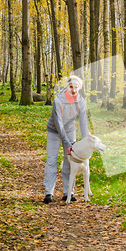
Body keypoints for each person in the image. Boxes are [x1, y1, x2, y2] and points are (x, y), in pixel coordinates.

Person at [43, 75, 90, 203]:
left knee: (70, 161)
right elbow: (58, 123)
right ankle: (48, 193)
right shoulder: (58, 101)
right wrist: (67, 142)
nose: (73, 90)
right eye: (71, 87)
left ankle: (68, 192)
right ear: (67, 87)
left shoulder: (81, 102)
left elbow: (83, 122)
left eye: (76, 87)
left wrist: (85, 141)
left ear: (79, 88)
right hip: (54, 130)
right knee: (52, 160)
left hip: (70, 130)